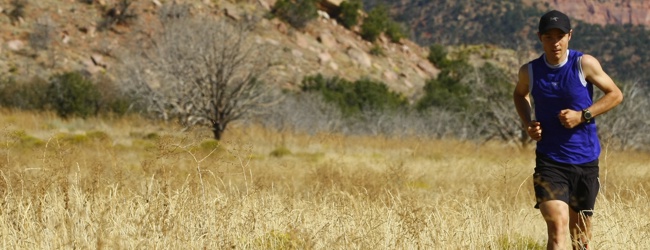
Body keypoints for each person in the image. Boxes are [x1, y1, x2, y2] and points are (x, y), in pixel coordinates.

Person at [513, 10, 623, 250]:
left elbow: (615, 94)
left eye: (560, 36)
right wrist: (528, 123)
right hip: (550, 162)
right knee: (557, 228)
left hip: (585, 161)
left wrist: (583, 115)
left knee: (581, 240)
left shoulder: (584, 64)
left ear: (570, 36)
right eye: (549, 37)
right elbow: (519, 95)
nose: (555, 43)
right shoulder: (530, 71)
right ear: (540, 37)